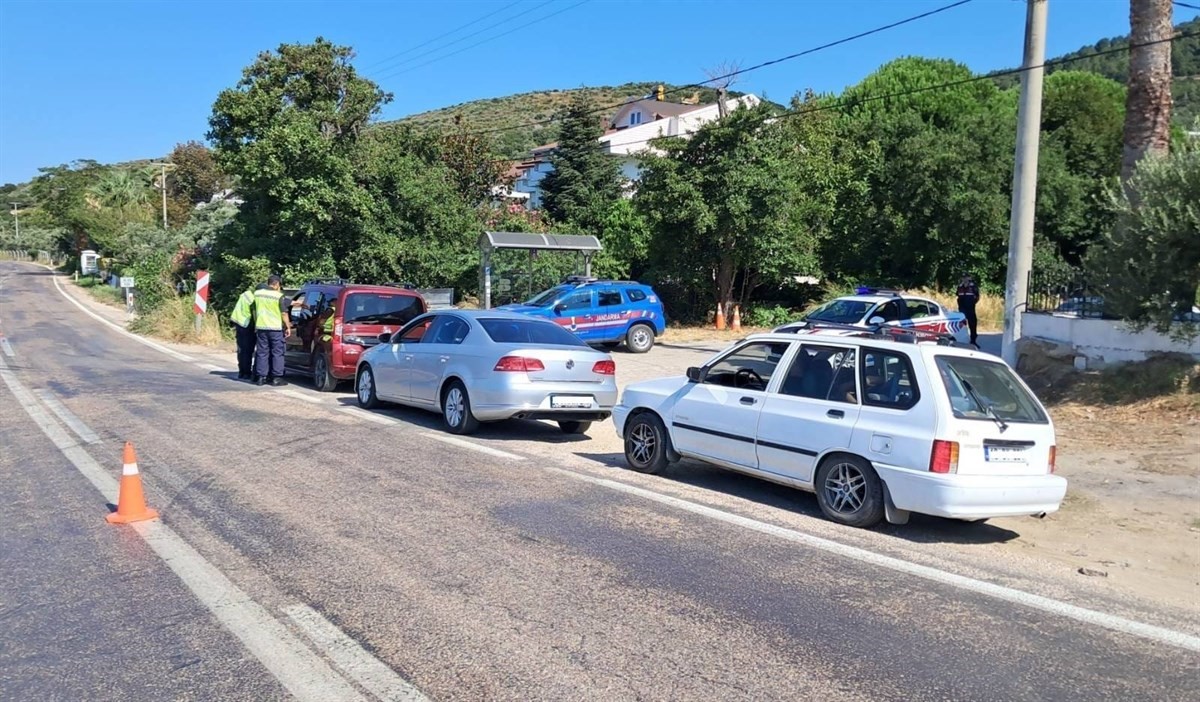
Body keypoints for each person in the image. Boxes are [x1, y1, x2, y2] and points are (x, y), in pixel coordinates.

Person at [253, 275, 292, 386]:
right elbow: (283, 313)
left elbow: (255, 309)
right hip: (275, 328)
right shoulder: (278, 296)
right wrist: (288, 326)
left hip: (261, 327)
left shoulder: (258, 294)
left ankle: (261, 377)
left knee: (262, 352)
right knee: (277, 353)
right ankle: (276, 378)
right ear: (277, 284)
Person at [229, 284, 258, 380]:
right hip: (247, 324)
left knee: (242, 350)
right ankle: (247, 373)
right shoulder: (253, 299)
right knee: (248, 350)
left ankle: (242, 372)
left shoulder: (246, 294)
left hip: (239, 323)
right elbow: (254, 314)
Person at [956, 273, 980, 346]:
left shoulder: (973, 287)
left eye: (966, 277)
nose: (964, 279)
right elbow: (957, 295)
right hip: (962, 309)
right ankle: (961, 340)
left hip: (970, 309)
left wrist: (973, 302)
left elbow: (977, 297)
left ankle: (973, 341)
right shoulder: (959, 287)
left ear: (969, 278)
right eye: (963, 277)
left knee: (972, 324)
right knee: (961, 325)